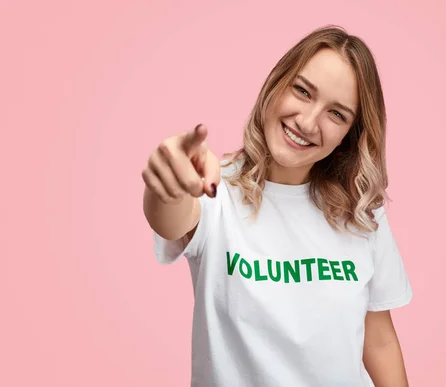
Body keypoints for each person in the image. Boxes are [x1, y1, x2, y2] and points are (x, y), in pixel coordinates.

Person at [142, 25, 413, 387]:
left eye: (337, 114)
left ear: (351, 133)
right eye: (302, 91)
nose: (307, 121)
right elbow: (169, 219)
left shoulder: (361, 214)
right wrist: (169, 185)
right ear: (276, 83)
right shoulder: (215, 189)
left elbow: (379, 341)